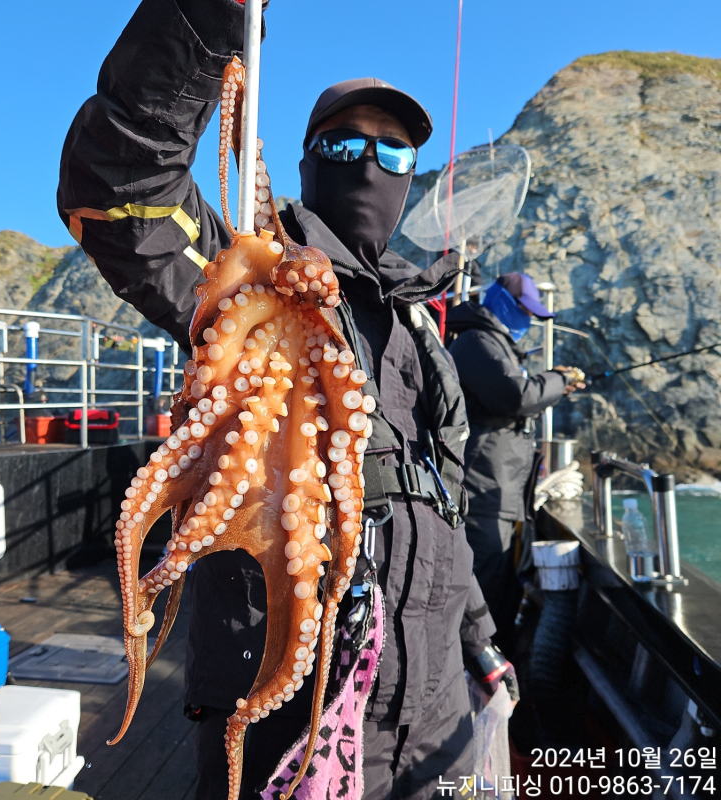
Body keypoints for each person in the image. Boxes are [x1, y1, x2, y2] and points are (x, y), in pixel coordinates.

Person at [57, 1, 516, 796]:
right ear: (308, 163)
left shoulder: (421, 327)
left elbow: (436, 505)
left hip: (437, 710)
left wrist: (481, 641)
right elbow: (121, 189)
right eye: (344, 144)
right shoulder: (252, 269)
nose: (369, 164)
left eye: (395, 154)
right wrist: (208, 18)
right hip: (297, 712)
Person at [448, 273, 583, 655]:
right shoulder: (477, 342)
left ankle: (494, 686)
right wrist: (557, 379)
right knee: (484, 600)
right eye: (524, 310)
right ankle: (475, 685)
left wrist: (555, 384)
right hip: (481, 495)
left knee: (501, 597)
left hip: (499, 493)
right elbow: (515, 396)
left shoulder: (494, 344)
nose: (528, 320)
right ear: (503, 302)